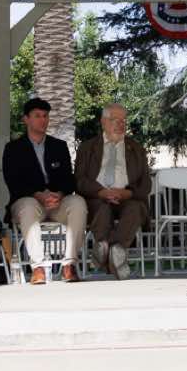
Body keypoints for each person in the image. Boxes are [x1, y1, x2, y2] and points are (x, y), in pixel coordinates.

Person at [1, 98, 86, 283]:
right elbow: (13, 182)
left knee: (78, 203)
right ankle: (38, 267)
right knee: (28, 206)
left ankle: (69, 265)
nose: (43, 120)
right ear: (26, 119)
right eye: (37, 116)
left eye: (45, 116)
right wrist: (38, 194)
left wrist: (60, 194)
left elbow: (69, 179)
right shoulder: (13, 149)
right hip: (29, 202)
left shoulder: (59, 146)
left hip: (57, 203)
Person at [75, 103, 152, 279]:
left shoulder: (136, 148)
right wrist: (101, 192)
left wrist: (127, 193)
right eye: (115, 120)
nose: (120, 124)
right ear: (103, 122)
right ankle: (116, 252)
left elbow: (146, 184)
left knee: (135, 208)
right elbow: (80, 181)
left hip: (128, 197)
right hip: (97, 198)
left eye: (123, 121)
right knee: (102, 209)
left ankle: (106, 247)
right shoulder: (87, 148)